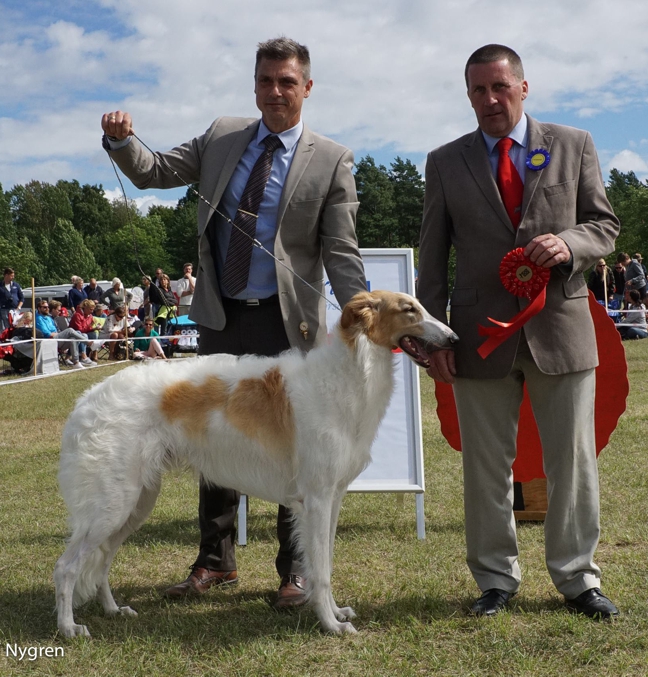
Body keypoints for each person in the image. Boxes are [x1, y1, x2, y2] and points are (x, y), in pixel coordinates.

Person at [101, 36, 366, 607]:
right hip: (222, 317)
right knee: (212, 439)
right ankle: (215, 561)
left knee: (294, 447)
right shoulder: (222, 136)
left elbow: (340, 251)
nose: (276, 92)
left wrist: (360, 312)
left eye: (287, 82)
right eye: (266, 81)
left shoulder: (332, 158)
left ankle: (294, 573)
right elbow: (154, 170)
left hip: (288, 324)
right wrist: (121, 143)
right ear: (255, 85)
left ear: (307, 88)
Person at [418, 44, 620, 620]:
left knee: (572, 462)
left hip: (561, 328)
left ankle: (578, 577)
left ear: (524, 88)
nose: (489, 100)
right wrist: (432, 339)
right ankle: (495, 579)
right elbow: (433, 259)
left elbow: (603, 224)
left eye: (500, 88)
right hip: (480, 336)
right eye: (478, 90)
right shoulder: (445, 161)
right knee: (486, 467)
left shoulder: (573, 144)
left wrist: (569, 244)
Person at [35, 300, 88, 369]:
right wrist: (57, 334)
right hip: (48, 341)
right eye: (44, 307)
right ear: (39, 308)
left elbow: (55, 331)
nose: (47, 309)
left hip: (57, 339)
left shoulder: (49, 318)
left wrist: (57, 333)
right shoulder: (38, 319)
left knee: (73, 339)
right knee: (70, 330)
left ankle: (76, 362)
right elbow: (47, 334)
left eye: (47, 307)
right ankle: (89, 342)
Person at [69, 299, 99, 364]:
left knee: (94, 334)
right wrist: (90, 327)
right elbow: (80, 329)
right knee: (84, 335)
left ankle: (94, 353)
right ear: (85, 308)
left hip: (84, 332)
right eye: (90, 309)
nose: (92, 311)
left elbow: (87, 328)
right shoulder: (77, 315)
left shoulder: (90, 316)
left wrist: (93, 328)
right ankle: (83, 356)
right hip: (75, 335)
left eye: (93, 309)